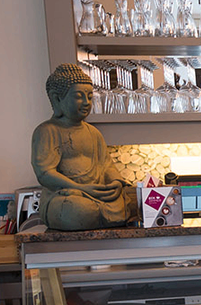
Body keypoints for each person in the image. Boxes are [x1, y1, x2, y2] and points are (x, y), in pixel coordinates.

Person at [30, 64, 134, 230]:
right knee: (77, 209)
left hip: (97, 193)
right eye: (79, 96)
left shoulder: (93, 132)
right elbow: (44, 173)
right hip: (67, 195)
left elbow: (106, 165)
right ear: (57, 99)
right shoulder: (47, 131)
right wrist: (79, 188)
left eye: (90, 97)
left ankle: (102, 210)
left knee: (132, 201)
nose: (86, 102)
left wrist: (115, 182)